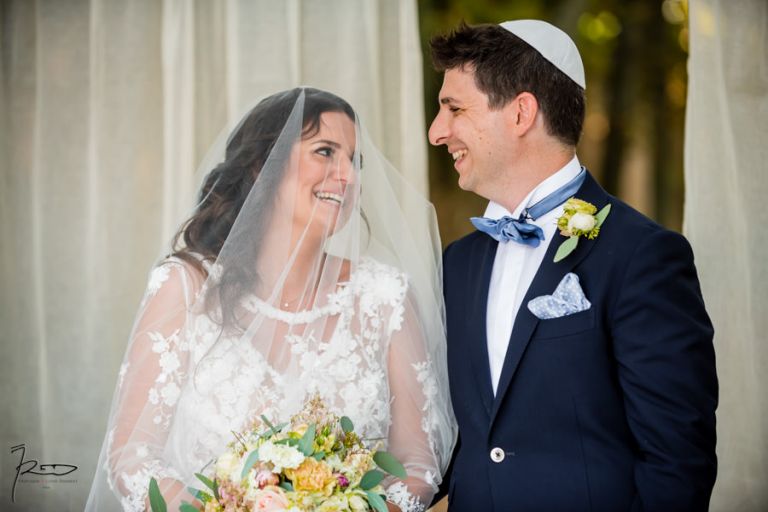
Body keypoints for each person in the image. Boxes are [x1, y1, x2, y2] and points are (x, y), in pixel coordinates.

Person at [86, 87, 456, 512]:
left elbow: (417, 463)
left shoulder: (385, 297)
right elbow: (133, 456)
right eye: (325, 151)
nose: (348, 176)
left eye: (354, 161)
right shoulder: (185, 287)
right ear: (264, 167)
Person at [428, 20, 718, 511]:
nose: (437, 132)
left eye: (453, 108)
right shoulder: (457, 264)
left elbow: (677, 461)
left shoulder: (642, 256)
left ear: (521, 113)